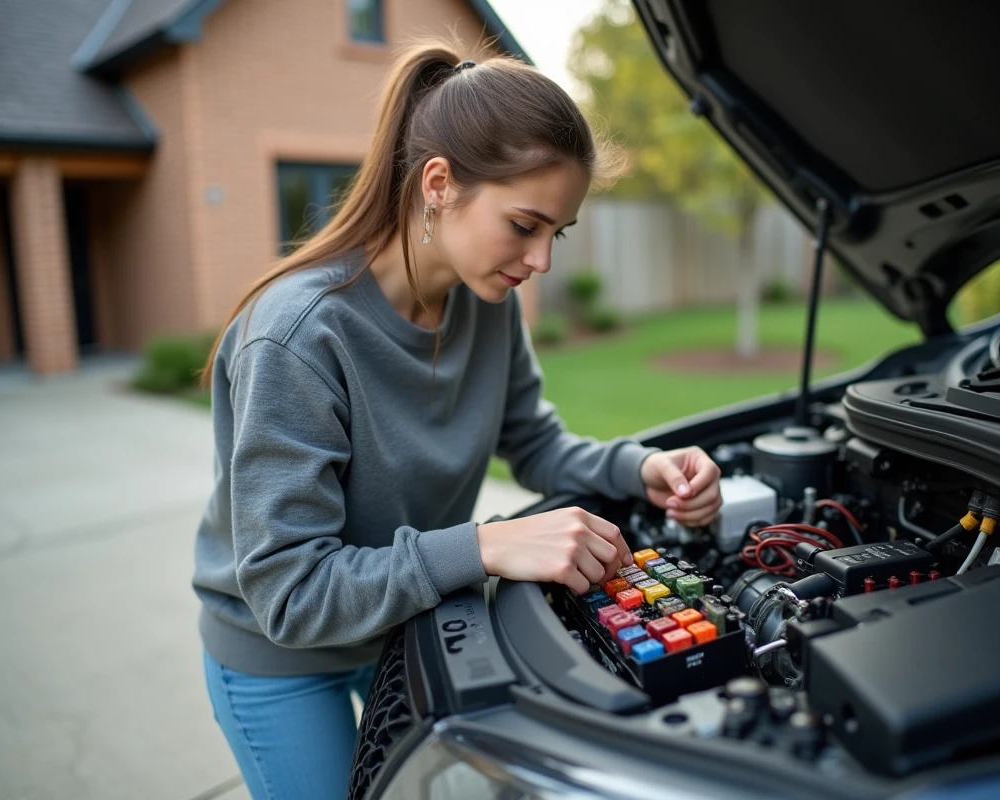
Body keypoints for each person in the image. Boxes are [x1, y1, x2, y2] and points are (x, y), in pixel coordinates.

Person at [192, 41, 724, 800]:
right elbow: (292, 591)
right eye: (525, 225)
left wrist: (643, 467)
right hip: (282, 661)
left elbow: (534, 442)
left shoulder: (487, 304)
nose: (541, 260)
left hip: (407, 633)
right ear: (439, 184)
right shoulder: (298, 337)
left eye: (558, 234)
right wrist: (485, 545)